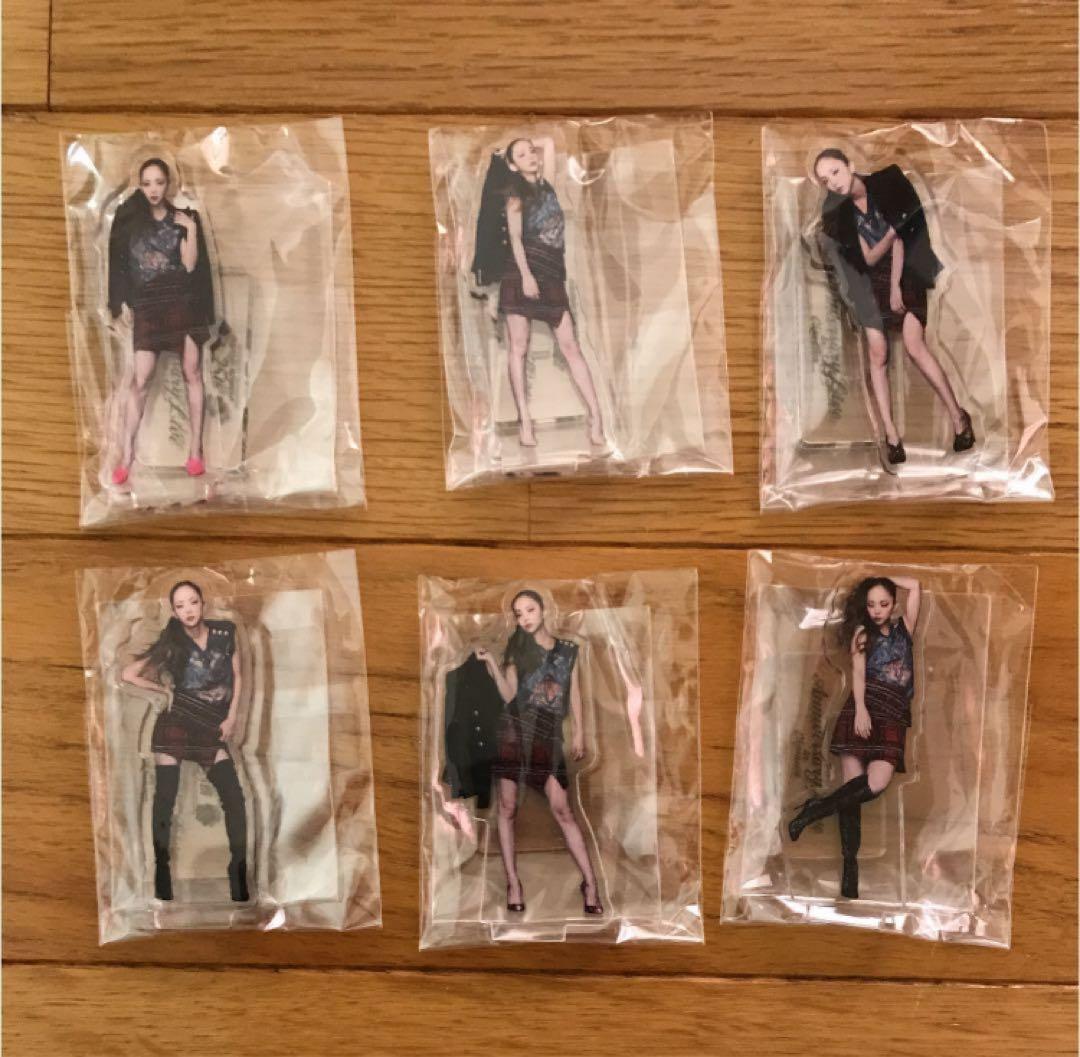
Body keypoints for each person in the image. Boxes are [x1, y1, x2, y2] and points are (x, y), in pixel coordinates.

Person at [814, 149, 975, 464]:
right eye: (824, 180)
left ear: (850, 165)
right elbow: (868, 257)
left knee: (914, 345)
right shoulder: (839, 216)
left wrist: (896, 286)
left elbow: (903, 239)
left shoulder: (887, 184)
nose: (832, 182)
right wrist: (893, 232)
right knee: (877, 352)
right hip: (868, 283)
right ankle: (890, 435)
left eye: (835, 172)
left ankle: (959, 417)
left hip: (907, 270)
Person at [788, 575, 922, 899]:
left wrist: (882, 575)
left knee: (875, 783)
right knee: (851, 797)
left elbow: (915, 585)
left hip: (893, 712)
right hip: (865, 707)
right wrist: (860, 709)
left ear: (893, 603)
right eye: (871, 604)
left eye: (884, 603)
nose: (877, 610)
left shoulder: (905, 628)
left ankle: (815, 809)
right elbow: (858, 674)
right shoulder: (862, 633)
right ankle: (850, 873)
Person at [475, 588, 603, 916]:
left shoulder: (568, 651)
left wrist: (580, 732)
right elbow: (509, 696)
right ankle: (513, 883)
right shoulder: (517, 649)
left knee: (563, 809)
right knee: (507, 808)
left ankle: (591, 883)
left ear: (544, 609)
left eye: (530, 610)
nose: (525, 618)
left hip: (547, 735)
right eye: (518, 614)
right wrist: (491, 664)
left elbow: (574, 694)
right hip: (513, 731)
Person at [472, 136, 605, 449]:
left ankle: (596, 416)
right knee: (518, 347)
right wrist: (527, 277)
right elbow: (516, 239)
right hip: (522, 273)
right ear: (512, 166)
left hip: (552, 275)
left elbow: (548, 142)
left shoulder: (548, 186)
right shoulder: (515, 196)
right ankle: (525, 421)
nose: (532, 156)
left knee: (571, 346)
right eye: (522, 155)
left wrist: (516, 146)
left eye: (531, 152)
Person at [121, 580, 249, 902]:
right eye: (180, 606)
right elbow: (128, 674)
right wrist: (163, 691)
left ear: (203, 603)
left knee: (234, 797)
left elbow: (238, 676)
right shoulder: (172, 641)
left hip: (211, 726)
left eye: (193, 602)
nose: (188, 610)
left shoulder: (225, 632)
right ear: (174, 612)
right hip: (177, 722)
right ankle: (161, 873)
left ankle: (238, 870)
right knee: (165, 798)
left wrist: (232, 718)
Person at [107, 157, 215, 485]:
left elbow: (191, 265)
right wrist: (118, 304)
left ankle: (195, 451)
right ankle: (126, 455)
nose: (154, 189)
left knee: (192, 372)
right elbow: (120, 264)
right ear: (140, 185)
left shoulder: (184, 218)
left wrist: (191, 229)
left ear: (169, 184)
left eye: (159, 182)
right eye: (147, 183)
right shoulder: (130, 221)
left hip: (182, 301)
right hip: (148, 306)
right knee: (140, 379)